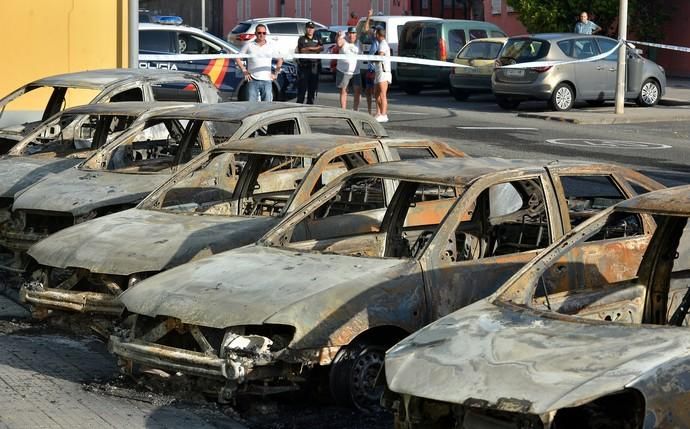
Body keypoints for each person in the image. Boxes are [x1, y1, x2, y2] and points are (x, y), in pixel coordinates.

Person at [235, 24, 283, 102]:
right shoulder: (249, 45)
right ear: (255, 33)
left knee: (266, 107)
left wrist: (276, 73)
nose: (261, 35)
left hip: (267, 80)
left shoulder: (271, 45)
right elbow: (237, 57)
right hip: (253, 80)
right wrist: (244, 71)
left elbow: (280, 59)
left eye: (264, 33)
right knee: (252, 106)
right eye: (259, 33)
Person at [296, 21, 323, 104]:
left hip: (314, 67)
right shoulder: (302, 39)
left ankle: (309, 108)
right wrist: (315, 48)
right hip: (304, 67)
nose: (310, 30)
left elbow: (321, 48)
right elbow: (302, 50)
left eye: (312, 28)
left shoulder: (317, 38)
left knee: (312, 91)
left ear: (314, 29)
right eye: (308, 28)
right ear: (305, 29)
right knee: (302, 91)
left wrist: (310, 48)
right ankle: (298, 108)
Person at [335, 27, 362, 110]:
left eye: (353, 33)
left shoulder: (359, 43)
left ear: (356, 35)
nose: (351, 35)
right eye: (350, 33)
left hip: (356, 71)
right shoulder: (343, 41)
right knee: (344, 90)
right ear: (347, 34)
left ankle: (355, 110)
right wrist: (338, 36)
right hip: (343, 71)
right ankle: (343, 110)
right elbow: (339, 44)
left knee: (357, 91)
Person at [360, 9, 377, 115]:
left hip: (376, 69)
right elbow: (366, 29)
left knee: (376, 92)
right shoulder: (372, 38)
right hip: (370, 68)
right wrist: (368, 17)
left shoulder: (379, 41)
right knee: (368, 91)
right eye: (373, 30)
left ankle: (378, 112)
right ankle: (370, 111)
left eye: (375, 31)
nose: (373, 32)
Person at [373, 27, 391, 123]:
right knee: (376, 93)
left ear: (378, 35)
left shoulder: (383, 44)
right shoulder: (380, 44)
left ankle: (384, 114)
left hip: (383, 72)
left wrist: (373, 58)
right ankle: (379, 113)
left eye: (375, 34)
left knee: (383, 94)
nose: (374, 35)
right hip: (378, 71)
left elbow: (381, 55)